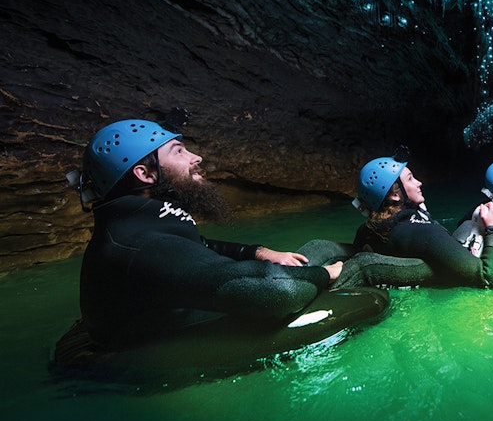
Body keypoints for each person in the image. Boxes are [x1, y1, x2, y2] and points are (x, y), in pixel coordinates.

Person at [62, 118, 364, 351]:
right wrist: (327, 274)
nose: (196, 158)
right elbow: (273, 291)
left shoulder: (142, 219)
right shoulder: (140, 243)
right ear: (145, 173)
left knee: (318, 250)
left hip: (168, 304)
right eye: (179, 152)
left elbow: (199, 246)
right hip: (141, 344)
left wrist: (258, 252)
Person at [349, 148, 493, 289]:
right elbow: (487, 277)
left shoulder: (365, 231)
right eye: (410, 179)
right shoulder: (425, 233)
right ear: (395, 195)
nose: (419, 183)